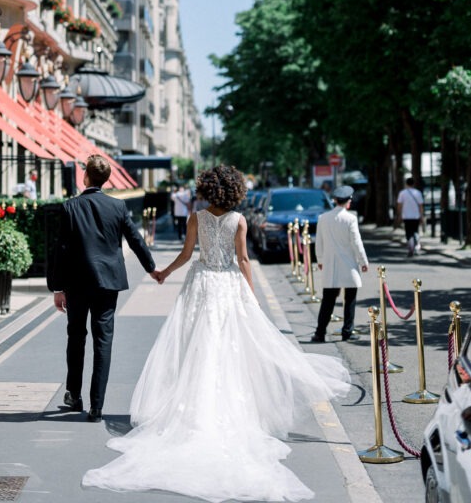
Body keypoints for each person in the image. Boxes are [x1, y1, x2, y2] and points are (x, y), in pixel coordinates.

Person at [83, 165, 351, 501]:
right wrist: (251, 295)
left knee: (197, 346)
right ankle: (230, 409)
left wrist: (164, 272)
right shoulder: (239, 220)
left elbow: (186, 255)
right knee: (229, 348)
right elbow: (243, 259)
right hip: (228, 285)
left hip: (201, 284)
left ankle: (195, 410)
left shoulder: (196, 218)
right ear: (235, 190)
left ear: (208, 189)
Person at [47, 154, 160, 422]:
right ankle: (97, 406)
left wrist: (57, 288)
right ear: (106, 179)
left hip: (76, 282)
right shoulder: (118, 206)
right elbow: (135, 240)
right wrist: (151, 268)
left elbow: (60, 250)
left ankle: (74, 394)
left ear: (85, 176)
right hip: (108, 282)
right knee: (103, 340)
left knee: (76, 337)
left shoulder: (70, 207)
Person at [311, 185, 369, 343]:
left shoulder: (323, 218)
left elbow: (319, 243)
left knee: (327, 301)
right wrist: (363, 261)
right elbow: (356, 242)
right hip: (349, 265)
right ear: (348, 201)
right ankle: (347, 331)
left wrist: (320, 260)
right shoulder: (350, 219)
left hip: (331, 265)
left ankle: (320, 332)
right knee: (350, 300)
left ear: (335, 200)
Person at [396, 176, 425, 256]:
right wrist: (421, 215)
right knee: (415, 230)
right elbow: (421, 206)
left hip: (406, 216)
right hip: (416, 216)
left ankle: (411, 247)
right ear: (413, 184)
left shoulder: (402, 193)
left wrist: (399, 215)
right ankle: (417, 244)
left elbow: (399, 205)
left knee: (408, 232)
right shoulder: (418, 193)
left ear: (406, 184)